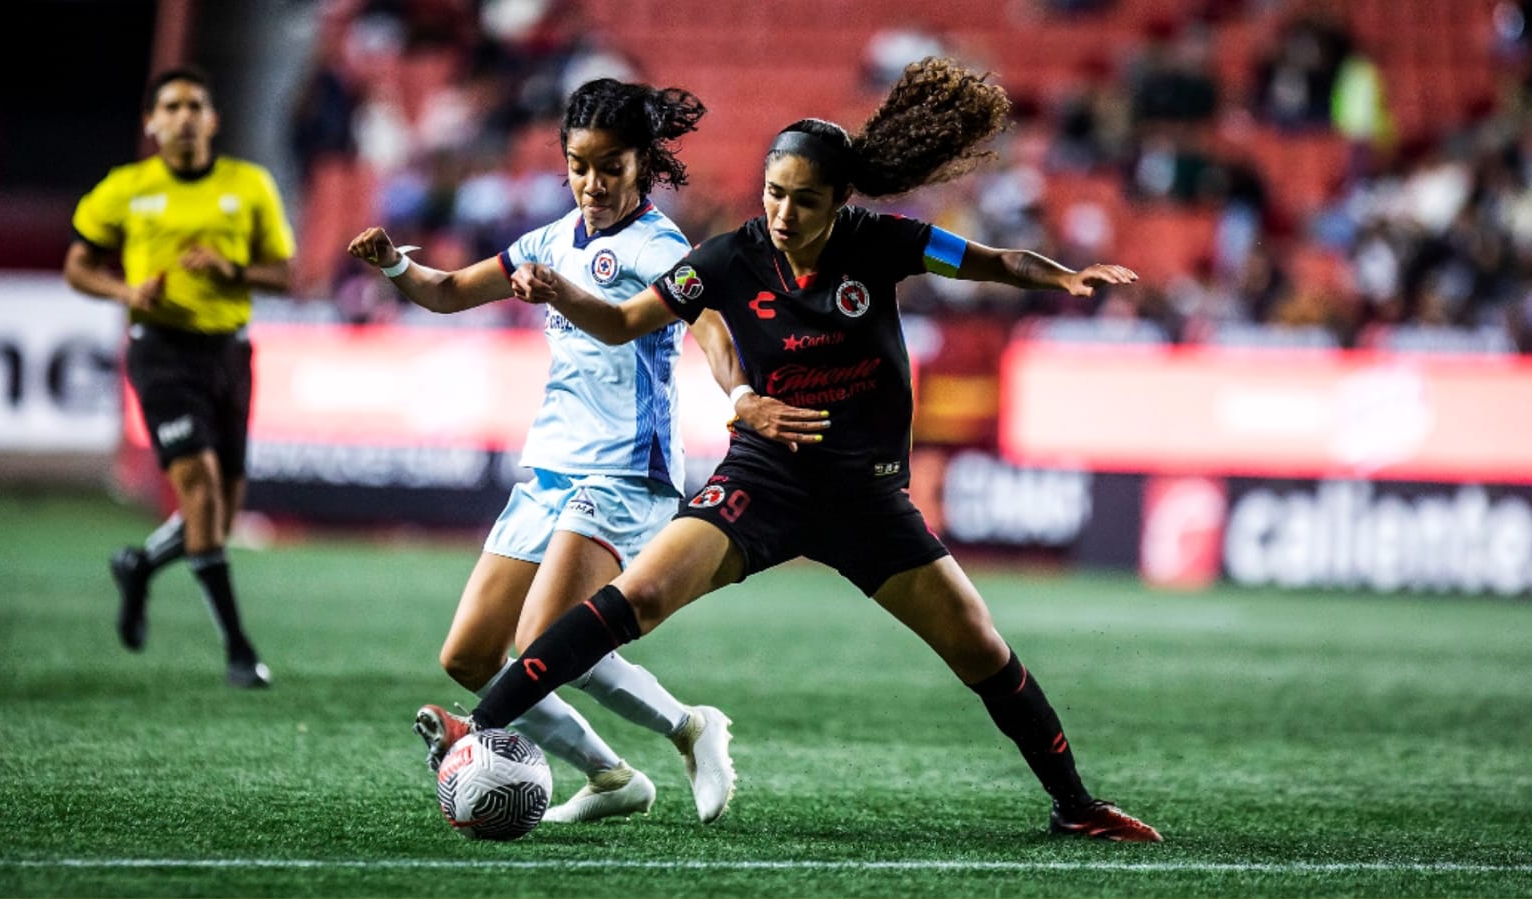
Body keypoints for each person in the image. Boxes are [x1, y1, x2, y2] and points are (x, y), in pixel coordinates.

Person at [444, 57, 1163, 841]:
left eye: (805, 199)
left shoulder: (884, 242)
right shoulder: (726, 258)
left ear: (838, 201)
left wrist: (1061, 278)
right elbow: (623, 323)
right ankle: (475, 726)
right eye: (773, 192)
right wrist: (565, 291)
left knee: (982, 649)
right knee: (635, 599)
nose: (783, 212)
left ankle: (1075, 804)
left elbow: (993, 262)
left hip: (866, 500)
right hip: (762, 483)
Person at [345, 78, 820, 824]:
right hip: (548, 469)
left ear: (643, 163)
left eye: (610, 166)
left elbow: (713, 332)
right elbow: (445, 293)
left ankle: (691, 727)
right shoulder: (546, 240)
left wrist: (738, 398)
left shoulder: (659, 245)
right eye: (578, 165)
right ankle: (609, 774)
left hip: (627, 470)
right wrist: (396, 266)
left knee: (543, 637)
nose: (593, 183)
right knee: (469, 657)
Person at [65, 66, 294, 689]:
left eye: (197, 104)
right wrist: (124, 289)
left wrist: (231, 268)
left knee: (218, 518)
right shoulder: (124, 189)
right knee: (200, 488)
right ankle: (239, 650)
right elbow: (78, 266)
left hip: (228, 353)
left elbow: (286, 274)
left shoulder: (247, 185)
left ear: (213, 120)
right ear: (152, 121)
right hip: (161, 351)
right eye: (172, 105)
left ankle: (140, 566)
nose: (185, 114)